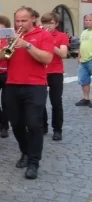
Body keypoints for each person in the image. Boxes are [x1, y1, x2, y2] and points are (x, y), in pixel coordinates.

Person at [0, 7, 53, 180]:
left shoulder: (44, 36)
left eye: (24, 20)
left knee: (34, 124)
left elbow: (47, 58)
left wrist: (27, 45)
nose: (20, 24)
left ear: (33, 20)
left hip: (35, 86)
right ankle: (25, 152)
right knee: (17, 124)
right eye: (18, 21)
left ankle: (34, 162)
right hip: (12, 85)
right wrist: (10, 45)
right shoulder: (12, 36)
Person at [41, 12, 69, 141]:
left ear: (56, 24)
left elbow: (63, 53)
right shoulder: (39, 35)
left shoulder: (61, 36)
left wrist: (49, 42)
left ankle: (57, 129)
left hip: (56, 72)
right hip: (41, 72)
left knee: (56, 102)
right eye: (45, 22)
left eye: (50, 23)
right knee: (40, 102)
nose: (47, 25)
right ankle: (43, 126)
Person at [75, 14, 92, 107]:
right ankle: (86, 99)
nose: (88, 22)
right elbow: (81, 45)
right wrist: (79, 56)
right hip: (83, 60)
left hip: (91, 59)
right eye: (86, 20)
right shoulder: (84, 32)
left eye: (90, 20)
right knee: (84, 81)